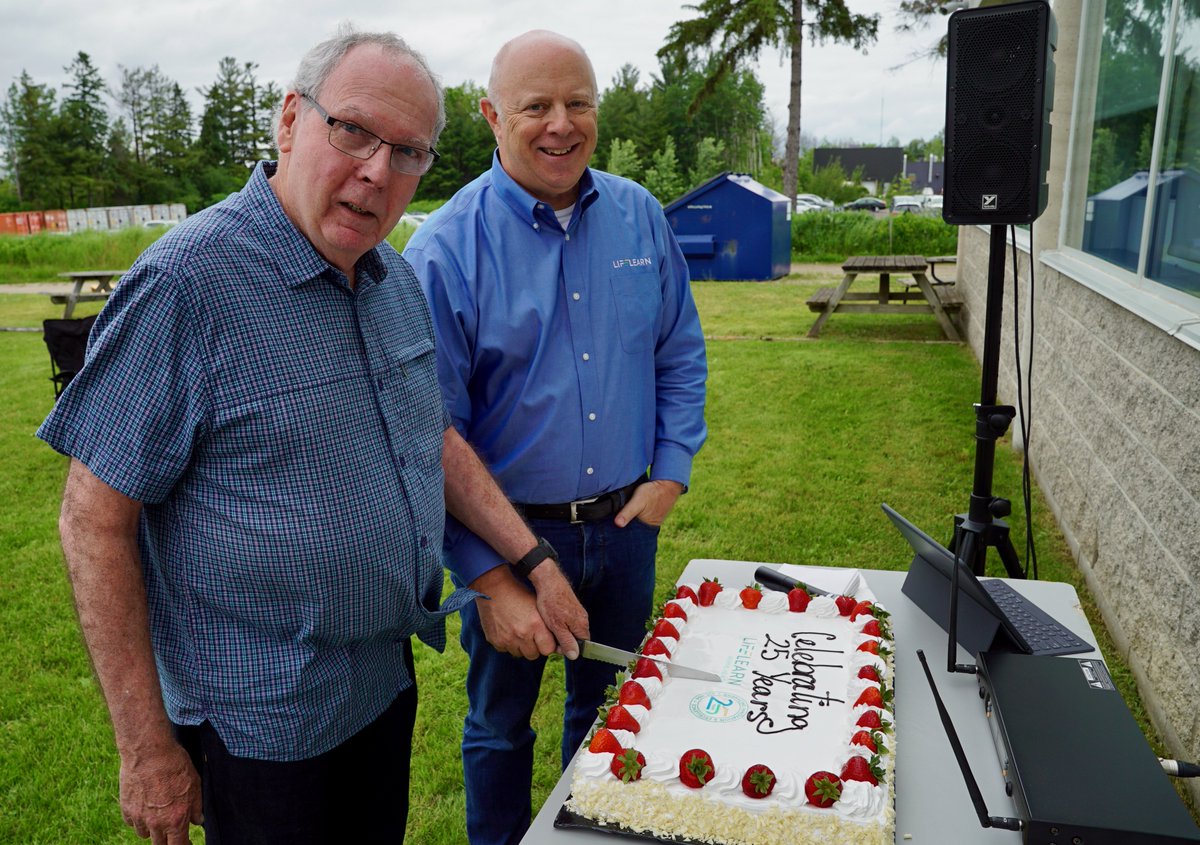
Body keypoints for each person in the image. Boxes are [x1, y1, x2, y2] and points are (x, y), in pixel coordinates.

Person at [37, 26, 586, 845]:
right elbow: (92, 519)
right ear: (290, 120)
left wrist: (532, 559)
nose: (376, 170)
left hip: (380, 685)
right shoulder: (186, 284)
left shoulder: (391, 276)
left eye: (409, 152)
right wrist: (147, 748)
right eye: (354, 130)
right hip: (261, 725)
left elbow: (428, 437)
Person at [403, 29, 708, 845]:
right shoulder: (443, 250)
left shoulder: (640, 216)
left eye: (579, 103)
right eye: (536, 105)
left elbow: (680, 351)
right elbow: (426, 435)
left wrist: (670, 472)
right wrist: (487, 575)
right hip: (508, 540)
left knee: (607, 713)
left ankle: (592, 834)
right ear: (491, 115)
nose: (560, 124)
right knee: (499, 725)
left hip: (622, 526)